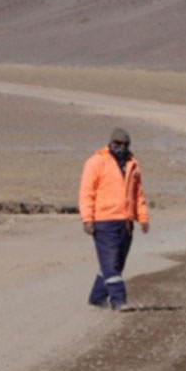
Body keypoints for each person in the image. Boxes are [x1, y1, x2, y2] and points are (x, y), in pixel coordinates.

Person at [79, 127, 149, 310]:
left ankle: (97, 297)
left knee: (116, 264)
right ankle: (119, 301)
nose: (121, 147)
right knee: (110, 262)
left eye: (125, 144)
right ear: (111, 143)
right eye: (117, 144)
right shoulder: (96, 162)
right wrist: (87, 219)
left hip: (126, 222)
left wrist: (142, 217)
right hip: (104, 221)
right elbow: (86, 192)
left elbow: (138, 194)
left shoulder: (133, 164)